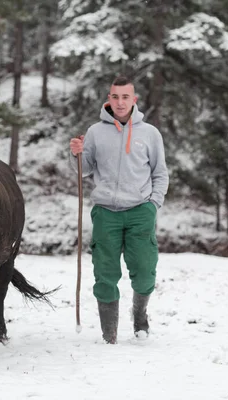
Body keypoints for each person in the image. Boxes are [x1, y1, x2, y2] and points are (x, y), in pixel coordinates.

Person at [69, 76, 169, 344]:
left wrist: (153, 205)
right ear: (109, 99)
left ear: (134, 100)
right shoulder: (95, 132)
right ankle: (109, 334)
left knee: (145, 270)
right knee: (104, 272)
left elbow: (160, 173)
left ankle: (140, 315)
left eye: (126, 97)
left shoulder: (149, 133)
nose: (120, 102)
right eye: (116, 97)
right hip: (106, 213)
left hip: (140, 211)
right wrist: (76, 154)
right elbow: (85, 170)